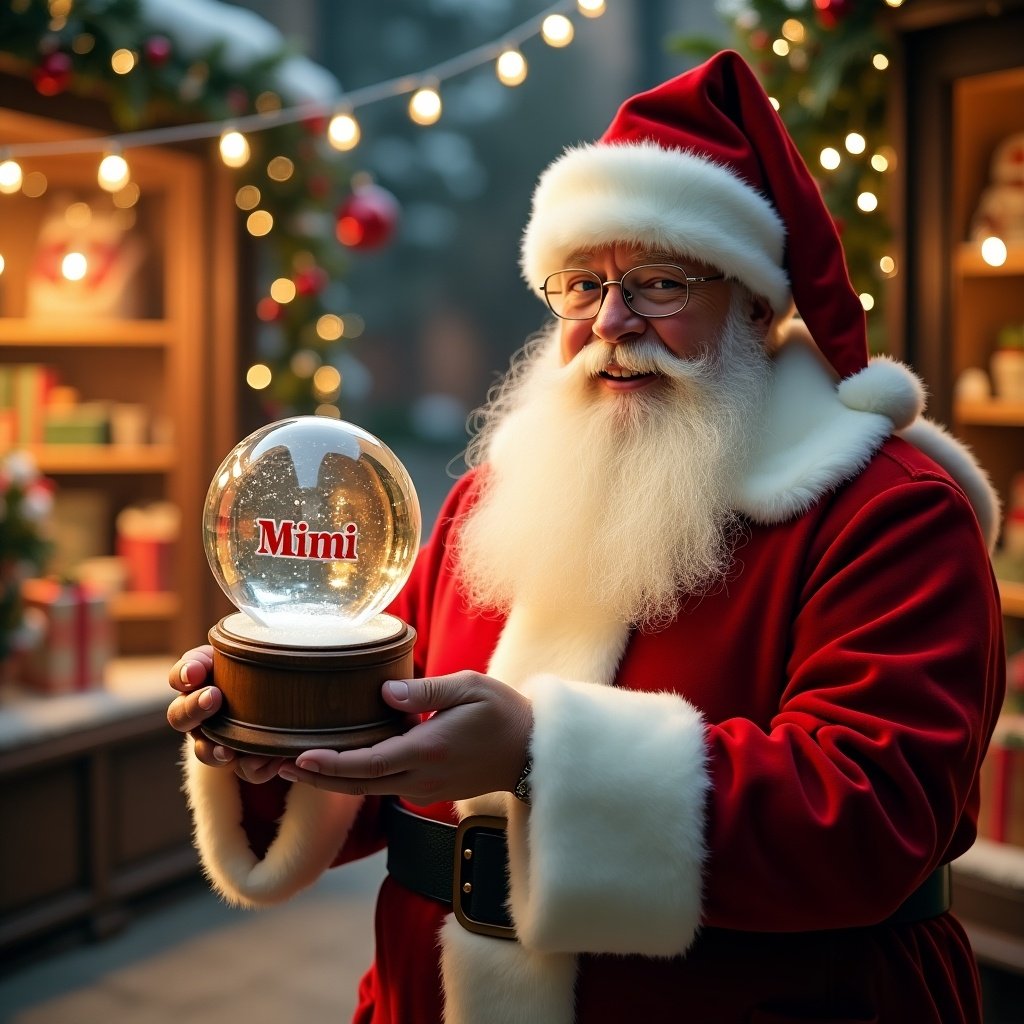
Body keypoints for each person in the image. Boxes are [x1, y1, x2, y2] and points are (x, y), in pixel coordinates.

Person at [167, 51, 1005, 1024]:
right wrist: (272, 732)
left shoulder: (885, 511)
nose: (611, 320)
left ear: (756, 306)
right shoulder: (502, 495)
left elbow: (865, 814)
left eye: (658, 281)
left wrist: (538, 756)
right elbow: (398, 728)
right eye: (578, 284)